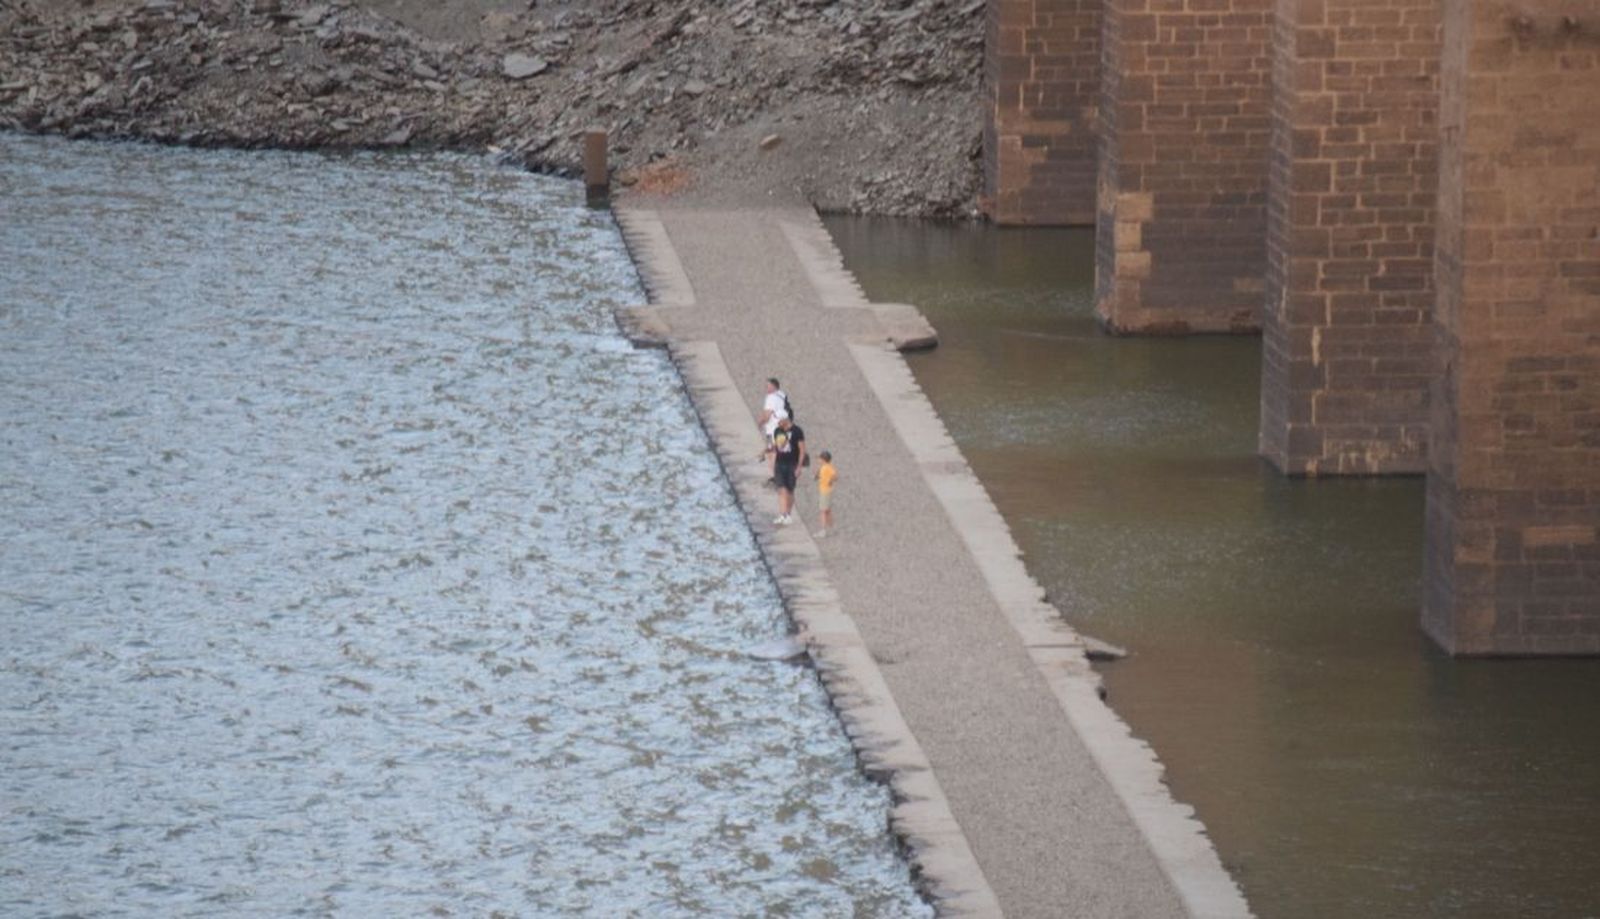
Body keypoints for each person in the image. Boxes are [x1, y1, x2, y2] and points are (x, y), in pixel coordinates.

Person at [770, 415, 805, 525]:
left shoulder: (797, 431)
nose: (778, 423)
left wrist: (799, 466)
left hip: (792, 464)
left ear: (785, 420)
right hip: (779, 463)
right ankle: (782, 514)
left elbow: (802, 450)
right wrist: (772, 463)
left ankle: (788, 514)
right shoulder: (777, 431)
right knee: (781, 489)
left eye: (779, 421)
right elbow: (776, 448)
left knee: (790, 490)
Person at [756, 377, 789, 483]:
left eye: (768, 386)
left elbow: (767, 415)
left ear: (774, 386)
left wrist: (760, 423)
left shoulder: (771, 397)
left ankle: (776, 476)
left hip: (772, 429)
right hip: (782, 427)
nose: (766, 388)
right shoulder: (782, 395)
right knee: (776, 450)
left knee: (772, 453)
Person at [813, 450, 837, 538]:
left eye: (819, 458)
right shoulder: (824, 467)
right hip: (826, 491)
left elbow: (835, 476)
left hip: (825, 491)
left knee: (823, 511)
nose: (818, 460)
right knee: (827, 510)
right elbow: (817, 476)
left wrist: (830, 481)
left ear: (823, 459)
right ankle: (831, 527)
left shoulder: (827, 467)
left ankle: (823, 531)